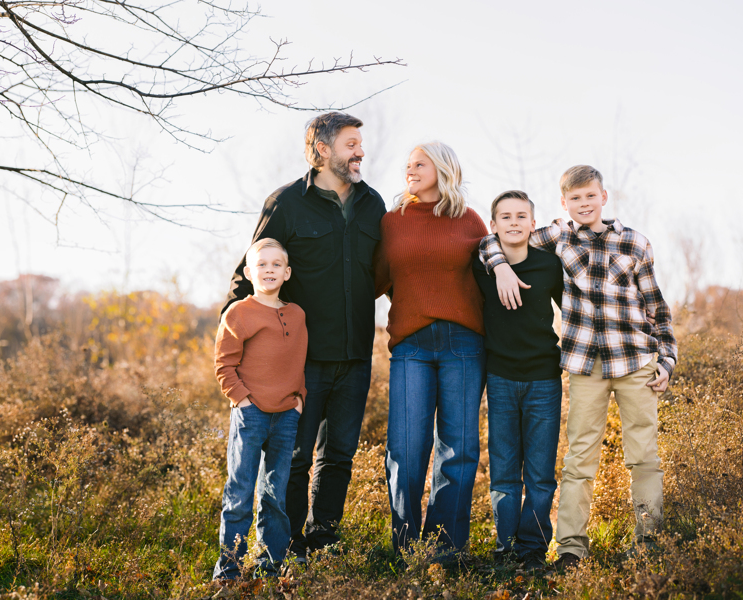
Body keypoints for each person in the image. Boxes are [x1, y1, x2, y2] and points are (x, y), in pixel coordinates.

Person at [480, 165, 677, 569]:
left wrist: (668, 358)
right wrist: (499, 265)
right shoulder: (557, 235)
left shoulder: (636, 243)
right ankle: (571, 547)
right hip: (586, 365)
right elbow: (493, 240)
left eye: (590, 196)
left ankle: (648, 543)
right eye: (575, 198)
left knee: (644, 456)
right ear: (564, 203)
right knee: (579, 458)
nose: (583, 204)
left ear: (604, 196)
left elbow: (657, 308)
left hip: (636, 361)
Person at [223, 112, 386, 562]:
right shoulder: (287, 203)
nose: (360, 152)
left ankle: (323, 540)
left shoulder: (373, 204)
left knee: (339, 456)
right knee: (293, 458)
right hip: (301, 359)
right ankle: (283, 546)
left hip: (355, 355)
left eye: (360, 143)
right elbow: (248, 272)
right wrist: (234, 345)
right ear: (322, 150)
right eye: (351, 144)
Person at [374, 141, 487, 557]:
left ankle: (446, 549)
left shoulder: (469, 220)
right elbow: (376, 280)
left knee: (458, 449)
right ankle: (407, 548)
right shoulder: (393, 221)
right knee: (405, 449)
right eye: (407, 164)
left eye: (419, 163)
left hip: (464, 345)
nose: (410, 169)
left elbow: (493, 271)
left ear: (442, 168)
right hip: (411, 345)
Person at [472, 190, 564, 571]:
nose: (513, 222)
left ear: (532, 223)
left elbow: (573, 310)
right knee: (505, 471)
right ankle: (505, 547)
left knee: (541, 474)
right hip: (501, 379)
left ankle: (533, 549)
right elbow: (478, 246)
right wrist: (498, 265)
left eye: (521, 216)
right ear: (494, 226)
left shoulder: (549, 265)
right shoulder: (482, 266)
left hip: (544, 378)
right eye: (505, 217)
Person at [213, 238, 307, 580]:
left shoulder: (296, 315)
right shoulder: (238, 312)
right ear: (249, 272)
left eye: (276, 264)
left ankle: (271, 566)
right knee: (239, 493)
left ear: (287, 272)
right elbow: (224, 364)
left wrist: (300, 401)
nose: (269, 269)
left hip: (286, 417)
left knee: (275, 496)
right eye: (262, 264)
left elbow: (299, 362)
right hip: (250, 414)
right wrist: (242, 400)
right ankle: (229, 572)